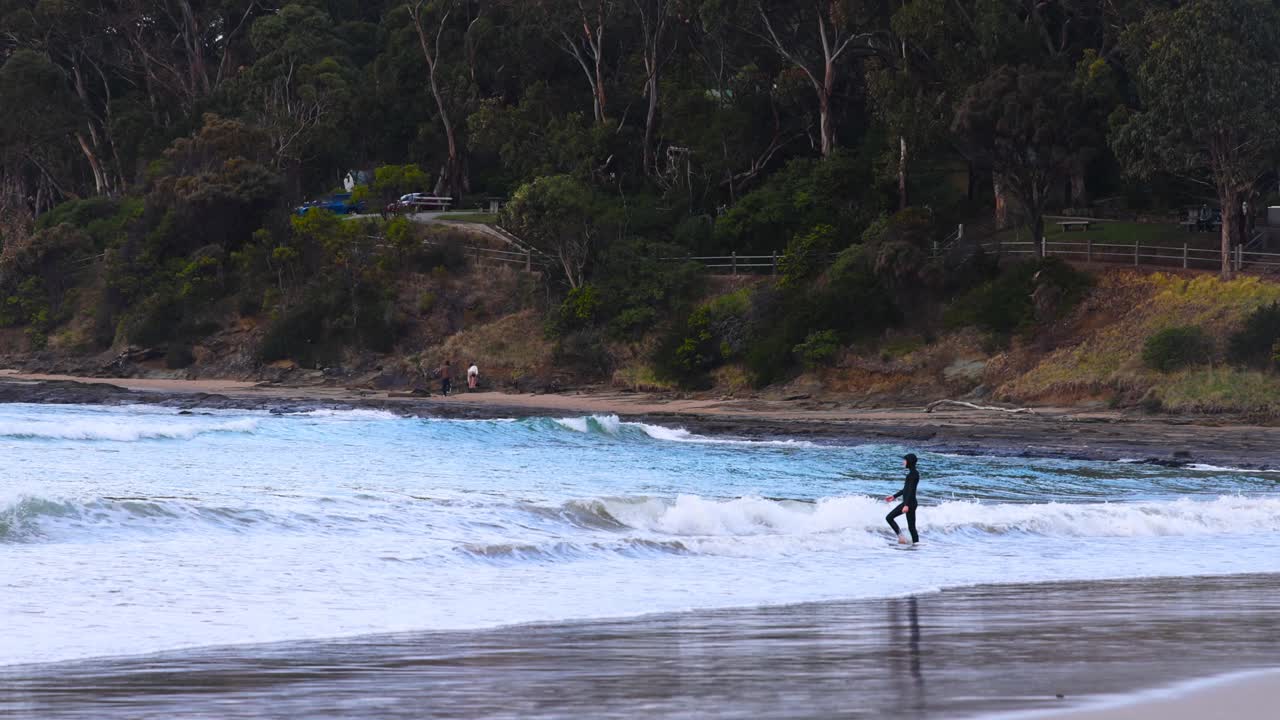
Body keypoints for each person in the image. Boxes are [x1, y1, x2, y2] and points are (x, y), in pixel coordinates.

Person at [884, 453, 921, 545]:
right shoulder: (913, 474)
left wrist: (906, 505)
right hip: (911, 502)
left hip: (909, 503)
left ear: (909, 462)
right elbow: (906, 489)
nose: (903, 462)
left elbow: (911, 491)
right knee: (911, 527)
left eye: (905, 460)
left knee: (889, 518)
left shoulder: (912, 475)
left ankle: (901, 537)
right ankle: (916, 545)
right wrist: (894, 496)